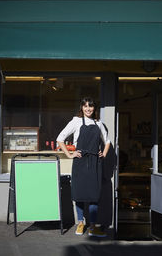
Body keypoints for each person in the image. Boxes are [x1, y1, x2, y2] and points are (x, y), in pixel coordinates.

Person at [56, 97, 111, 237]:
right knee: (79, 194)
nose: (88, 109)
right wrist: (69, 154)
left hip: (94, 163)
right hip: (80, 162)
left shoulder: (99, 123)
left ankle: (92, 227)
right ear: (81, 107)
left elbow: (107, 141)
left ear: (94, 108)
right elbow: (60, 139)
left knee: (94, 195)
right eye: (85, 106)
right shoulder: (76, 121)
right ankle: (80, 223)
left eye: (91, 106)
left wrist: (103, 154)